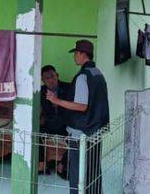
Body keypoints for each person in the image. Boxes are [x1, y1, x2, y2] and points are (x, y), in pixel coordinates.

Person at [46, 40, 109, 194]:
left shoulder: (83, 77)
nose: (74, 56)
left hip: (82, 132)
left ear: (82, 54)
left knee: (77, 173)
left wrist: (56, 100)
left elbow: (82, 106)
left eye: (75, 53)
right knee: (93, 170)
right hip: (96, 130)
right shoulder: (98, 73)